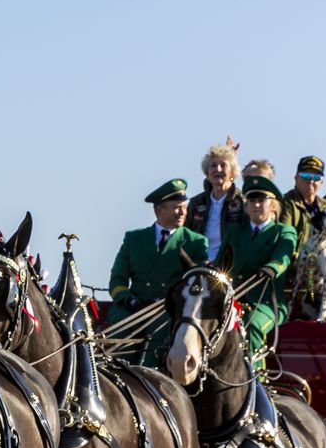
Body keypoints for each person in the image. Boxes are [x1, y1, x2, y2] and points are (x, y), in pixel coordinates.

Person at [107, 178, 211, 365]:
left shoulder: (195, 242)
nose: (182, 213)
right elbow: (117, 279)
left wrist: (169, 301)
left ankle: (150, 381)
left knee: (158, 340)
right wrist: (127, 299)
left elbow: (196, 281)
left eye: (184, 207)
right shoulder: (134, 239)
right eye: (176, 207)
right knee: (119, 337)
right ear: (159, 210)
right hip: (133, 308)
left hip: (167, 309)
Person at [214, 174, 297, 365]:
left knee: (250, 327)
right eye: (251, 200)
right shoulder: (235, 231)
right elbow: (221, 262)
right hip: (233, 298)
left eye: (261, 200)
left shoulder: (283, 231)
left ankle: (254, 383)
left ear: (272, 205)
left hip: (266, 303)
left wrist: (272, 268)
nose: (256, 205)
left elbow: (283, 256)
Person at [185, 143, 243, 260]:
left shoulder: (242, 202)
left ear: (232, 172)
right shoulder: (196, 203)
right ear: (207, 172)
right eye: (213, 165)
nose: (218, 169)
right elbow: (185, 234)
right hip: (198, 265)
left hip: (229, 267)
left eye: (223, 165)